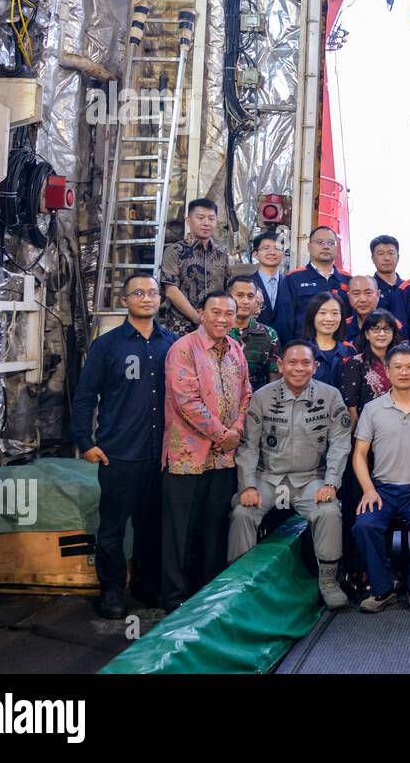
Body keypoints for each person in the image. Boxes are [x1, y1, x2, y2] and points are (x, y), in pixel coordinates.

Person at [73, 274, 176, 619]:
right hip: (118, 454)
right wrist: (85, 442)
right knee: (113, 528)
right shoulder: (108, 345)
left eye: (152, 293)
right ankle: (113, 589)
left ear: (160, 298)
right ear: (124, 300)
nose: (146, 298)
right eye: (138, 293)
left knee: (152, 526)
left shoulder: (173, 345)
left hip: (160, 454)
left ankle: (146, 586)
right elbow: (86, 397)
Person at [227, 340, 352, 609]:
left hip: (310, 478)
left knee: (329, 511)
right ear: (281, 365)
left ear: (315, 367)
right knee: (242, 514)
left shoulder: (330, 396)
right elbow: (248, 446)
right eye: (292, 363)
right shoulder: (262, 397)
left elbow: (341, 443)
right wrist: (248, 486)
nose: (299, 368)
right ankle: (240, 584)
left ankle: (328, 581)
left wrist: (331, 482)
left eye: (306, 363)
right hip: (268, 477)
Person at [161, 291, 252, 612]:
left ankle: (208, 593)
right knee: (180, 529)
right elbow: (185, 400)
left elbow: (246, 394)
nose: (223, 319)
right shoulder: (183, 349)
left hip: (225, 456)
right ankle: (174, 597)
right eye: (216, 312)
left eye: (229, 313)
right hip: (188, 454)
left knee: (215, 525)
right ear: (201, 313)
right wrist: (222, 433)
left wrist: (237, 431)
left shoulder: (236, 349)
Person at [351, 345, 410, 613]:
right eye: (398, 367)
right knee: (365, 525)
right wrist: (368, 490)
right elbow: (359, 454)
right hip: (382, 490)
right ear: (388, 371)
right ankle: (382, 589)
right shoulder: (372, 409)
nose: (404, 372)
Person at [335, 308, 399, 593]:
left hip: (399, 446)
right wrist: (367, 439)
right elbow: (351, 407)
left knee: (387, 508)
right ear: (366, 333)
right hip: (366, 447)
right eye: (376, 328)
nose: (381, 333)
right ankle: (358, 571)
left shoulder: (402, 362)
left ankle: (386, 570)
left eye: (387, 328)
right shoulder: (355, 364)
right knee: (363, 509)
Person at [159, 198, 232, 336]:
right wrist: (197, 317)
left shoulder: (221, 254)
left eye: (211, 219)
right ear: (188, 221)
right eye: (200, 218)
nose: (206, 223)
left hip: (215, 325)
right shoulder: (175, 251)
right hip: (181, 325)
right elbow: (171, 290)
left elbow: (226, 289)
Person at [277, 226, 351, 342]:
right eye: (320, 242)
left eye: (331, 243)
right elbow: (285, 322)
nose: (326, 247)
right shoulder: (293, 279)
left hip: (340, 352)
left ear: (337, 247)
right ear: (309, 247)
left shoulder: (347, 280)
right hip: (305, 351)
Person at [227, 276, 279, 393]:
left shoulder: (269, 334)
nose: (245, 301)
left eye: (250, 296)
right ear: (228, 298)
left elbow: (274, 377)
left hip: (256, 402)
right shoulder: (218, 331)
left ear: (256, 300)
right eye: (240, 295)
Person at [303, 292, 356, 387]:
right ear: (312, 316)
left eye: (335, 313)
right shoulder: (302, 351)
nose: (329, 319)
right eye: (322, 313)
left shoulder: (349, 350)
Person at [249, 230, 285, 334]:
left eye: (277, 249)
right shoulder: (247, 285)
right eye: (266, 248)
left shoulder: (290, 283)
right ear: (255, 254)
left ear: (283, 254)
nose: (272, 253)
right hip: (254, 342)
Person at [370, 233, 407, 325]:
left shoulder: (408, 288)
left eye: (391, 253)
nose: (386, 258)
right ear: (373, 258)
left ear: (398, 257)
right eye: (381, 254)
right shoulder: (368, 289)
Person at [343, 275, 385, 351]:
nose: (362, 299)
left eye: (368, 293)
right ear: (348, 296)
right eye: (356, 294)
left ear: (378, 294)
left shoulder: (392, 325)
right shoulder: (342, 327)